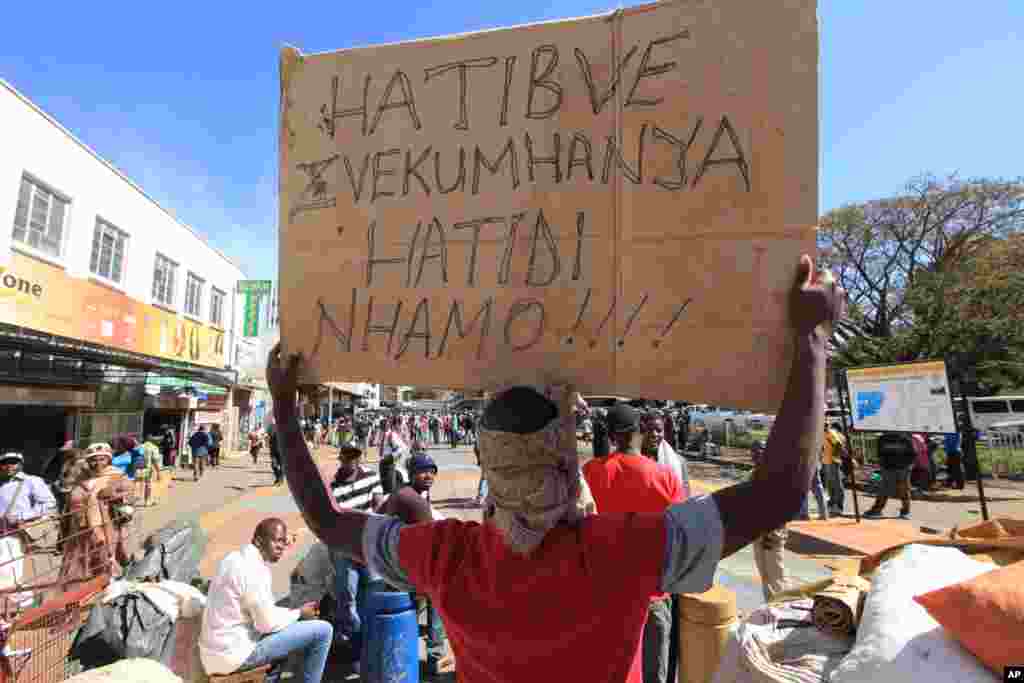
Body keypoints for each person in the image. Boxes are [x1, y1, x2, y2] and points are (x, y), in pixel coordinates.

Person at [268, 254, 843, 683]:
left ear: (489, 467)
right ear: (566, 463)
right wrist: (812, 342)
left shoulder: (446, 555)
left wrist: (286, 409)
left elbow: (325, 518)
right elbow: (780, 494)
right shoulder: (623, 551)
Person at [585, 404, 686, 683]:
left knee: (612, 667)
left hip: (606, 588)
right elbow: (681, 535)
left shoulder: (592, 471)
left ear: (612, 436)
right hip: (652, 590)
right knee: (655, 671)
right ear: (639, 432)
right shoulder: (665, 477)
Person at [199, 518, 332, 683]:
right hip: (233, 656)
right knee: (323, 631)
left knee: (287, 629)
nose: (282, 547)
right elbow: (266, 624)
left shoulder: (233, 559)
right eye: (277, 541)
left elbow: (264, 614)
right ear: (259, 540)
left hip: (212, 654)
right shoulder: (255, 571)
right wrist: (299, 613)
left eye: (284, 542)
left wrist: (292, 614)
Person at [376, 453, 454, 676]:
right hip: (401, 566)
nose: (429, 475)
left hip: (393, 560)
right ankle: (435, 657)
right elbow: (432, 539)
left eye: (432, 470)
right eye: (423, 471)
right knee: (438, 594)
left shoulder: (411, 492)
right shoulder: (412, 498)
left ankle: (416, 655)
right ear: (411, 474)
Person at [60, 443, 134, 582]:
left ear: (109, 460)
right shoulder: (81, 479)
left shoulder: (117, 476)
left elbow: (130, 496)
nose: (97, 463)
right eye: (93, 459)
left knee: (104, 557)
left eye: (102, 459)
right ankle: (85, 586)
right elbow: (70, 502)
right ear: (87, 461)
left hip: (106, 526)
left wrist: (114, 495)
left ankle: (108, 583)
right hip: (79, 528)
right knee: (81, 561)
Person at [0, 451, 57, 608]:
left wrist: (21, 516)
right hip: (2, 534)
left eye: (13, 462)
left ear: (21, 464)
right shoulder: (2, 485)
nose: (9, 466)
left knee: (14, 572)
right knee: (6, 574)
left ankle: (22, 609)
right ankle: (12, 608)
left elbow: (49, 504)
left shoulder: (32, 481)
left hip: (19, 533)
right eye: (5, 463)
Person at [748, 440, 789, 602]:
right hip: (757, 530)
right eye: (753, 451)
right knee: (764, 574)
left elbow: (782, 506)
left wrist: (771, 532)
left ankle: (784, 606)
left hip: (772, 532)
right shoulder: (753, 473)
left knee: (776, 574)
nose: (756, 454)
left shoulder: (775, 474)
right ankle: (771, 606)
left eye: (760, 451)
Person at [864, 432, 915, 519]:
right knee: (885, 489)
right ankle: (877, 510)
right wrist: (883, 466)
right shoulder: (883, 439)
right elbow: (880, 455)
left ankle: (905, 512)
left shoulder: (905, 438)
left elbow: (912, 454)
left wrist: (908, 467)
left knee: (904, 490)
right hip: (889, 468)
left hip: (902, 468)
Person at [642, 414, 692, 498]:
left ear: (664, 432)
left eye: (659, 430)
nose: (654, 434)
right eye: (649, 430)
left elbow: (685, 495)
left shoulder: (679, 461)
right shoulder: (632, 461)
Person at [821, 423, 847, 516]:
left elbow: (838, 444)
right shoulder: (826, 433)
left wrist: (834, 457)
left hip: (832, 461)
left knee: (836, 484)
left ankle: (838, 506)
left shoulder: (830, 433)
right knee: (831, 484)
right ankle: (832, 505)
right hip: (827, 461)